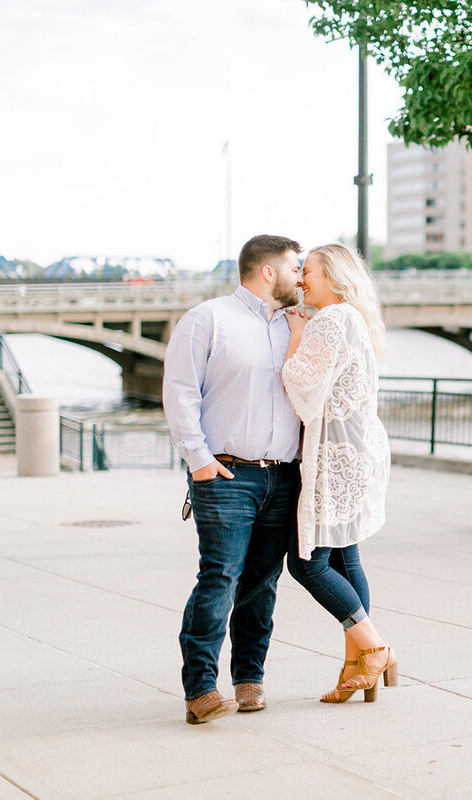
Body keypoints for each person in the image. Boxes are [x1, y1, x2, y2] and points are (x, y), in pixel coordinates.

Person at [162, 234, 304, 724]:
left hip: (284, 477)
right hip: (226, 474)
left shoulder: (296, 325)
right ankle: (201, 689)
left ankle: (249, 680)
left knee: (263, 583)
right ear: (268, 271)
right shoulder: (208, 319)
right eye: (294, 267)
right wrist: (198, 460)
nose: (301, 276)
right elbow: (180, 391)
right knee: (219, 578)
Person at [281, 242, 395, 703]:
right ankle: (355, 666)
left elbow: (302, 385)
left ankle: (375, 648)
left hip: (335, 458)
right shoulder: (356, 318)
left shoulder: (329, 320)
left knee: (306, 562)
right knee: (346, 560)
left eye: (308, 271)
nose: (302, 280)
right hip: (357, 453)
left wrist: (293, 334)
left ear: (333, 276)